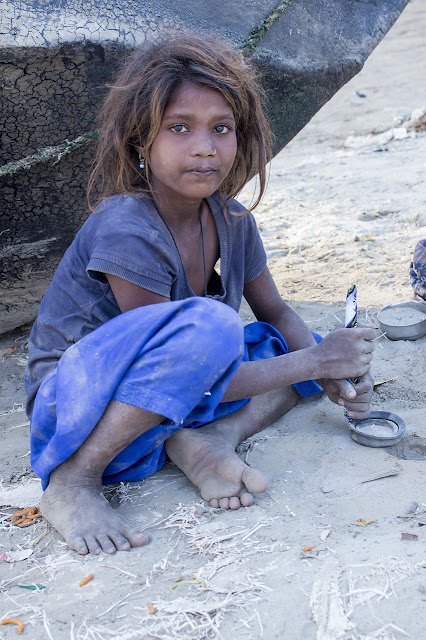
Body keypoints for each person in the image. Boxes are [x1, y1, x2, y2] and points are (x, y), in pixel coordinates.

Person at [25, 34, 375, 556]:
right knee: (218, 327)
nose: (205, 147)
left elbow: (275, 310)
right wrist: (315, 363)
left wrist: (333, 370)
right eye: (179, 128)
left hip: (167, 401)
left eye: (222, 128)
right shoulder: (128, 226)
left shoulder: (232, 220)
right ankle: (75, 482)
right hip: (80, 410)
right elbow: (184, 368)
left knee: (290, 341)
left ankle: (211, 439)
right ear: (141, 141)